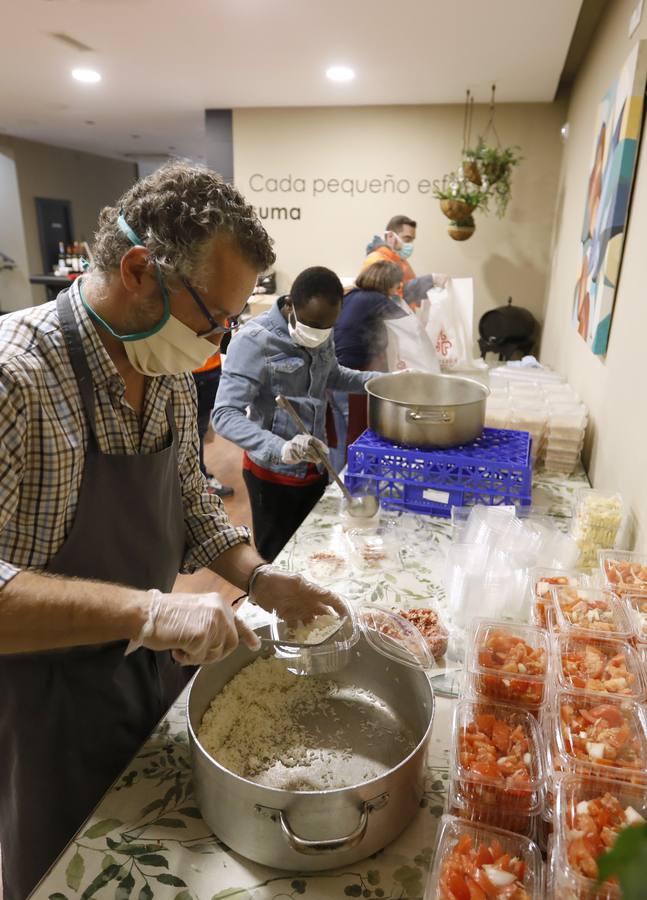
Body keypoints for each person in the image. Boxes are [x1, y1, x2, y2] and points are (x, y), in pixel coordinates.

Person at [0, 162, 346, 900]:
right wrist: (149, 611)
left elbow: (192, 504)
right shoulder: (16, 377)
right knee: (69, 871)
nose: (219, 339)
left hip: (145, 667)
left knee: (153, 859)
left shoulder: (162, 369)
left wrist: (260, 577)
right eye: (213, 317)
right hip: (36, 704)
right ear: (137, 271)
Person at [213, 266, 379, 562]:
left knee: (312, 552)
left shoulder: (320, 328)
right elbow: (225, 414)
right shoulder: (254, 340)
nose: (318, 333)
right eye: (312, 324)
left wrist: (379, 382)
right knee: (277, 560)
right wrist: (282, 448)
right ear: (290, 304)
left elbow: (333, 375)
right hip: (273, 476)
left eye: (327, 326)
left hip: (316, 466)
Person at [329, 260, 406, 470]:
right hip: (349, 376)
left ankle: (335, 480)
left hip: (332, 372)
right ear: (388, 282)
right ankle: (351, 479)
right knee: (353, 434)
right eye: (396, 285)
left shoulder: (351, 295)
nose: (396, 290)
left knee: (338, 435)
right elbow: (408, 324)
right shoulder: (376, 299)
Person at [363, 214, 448, 304]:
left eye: (412, 240)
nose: (410, 244)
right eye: (407, 239)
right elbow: (394, 295)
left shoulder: (399, 260)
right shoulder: (376, 261)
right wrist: (430, 280)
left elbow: (409, 290)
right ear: (391, 236)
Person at [193, 352, 234, 497]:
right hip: (197, 371)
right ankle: (199, 482)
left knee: (198, 432)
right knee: (195, 433)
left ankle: (199, 478)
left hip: (206, 370)